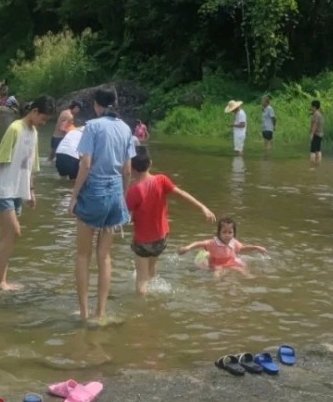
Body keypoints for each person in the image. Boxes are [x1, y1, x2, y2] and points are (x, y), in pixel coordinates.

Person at [69, 87, 135, 320]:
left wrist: (74, 196)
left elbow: (85, 164)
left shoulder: (93, 127)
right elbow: (127, 170)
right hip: (116, 193)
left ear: (97, 104)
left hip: (94, 191)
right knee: (104, 256)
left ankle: (85, 313)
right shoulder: (126, 128)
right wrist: (122, 198)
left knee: (83, 255)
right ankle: (101, 312)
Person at [0, 95, 56, 291]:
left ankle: (0, 281)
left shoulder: (34, 133)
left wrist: (31, 191)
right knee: (15, 232)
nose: (43, 122)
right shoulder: (15, 128)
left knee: (7, 237)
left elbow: (30, 165)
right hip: (3, 190)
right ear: (34, 112)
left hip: (17, 192)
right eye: (43, 118)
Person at [125, 147, 215, 294]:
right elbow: (182, 194)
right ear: (150, 163)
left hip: (143, 242)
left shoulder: (134, 191)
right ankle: (156, 294)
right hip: (161, 239)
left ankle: (142, 311)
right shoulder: (161, 180)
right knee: (151, 270)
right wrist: (202, 207)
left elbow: (125, 217)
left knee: (141, 280)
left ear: (131, 168)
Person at [178, 217, 268, 272]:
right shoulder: (213, 243)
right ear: (219, 233)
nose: (227, 235)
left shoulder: (234, 242)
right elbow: (199, 243)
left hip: (229, 261)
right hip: (215, 263)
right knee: (218, 272)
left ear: (234, 233)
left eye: (230, 232)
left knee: (242, 270)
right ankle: (215, 287)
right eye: (224, 232)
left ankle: (249, 281)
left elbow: (243, 248)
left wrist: (256, 247)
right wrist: (187, 248)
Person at [54, 106, 85, 180]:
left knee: (62, 179)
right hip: (71, 157)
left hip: (59, 154)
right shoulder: (87, 135)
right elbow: (84, 156)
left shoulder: (73, 131)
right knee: (73, 182)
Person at [309, 99, 324, 165]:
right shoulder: (319, 114)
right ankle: (318, 163)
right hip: (320, 134)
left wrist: (312, 133)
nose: (311, 108)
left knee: (313, 150)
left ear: (314, 107)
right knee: (318, 149)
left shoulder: (316, 114)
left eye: (311, 106)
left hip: (316, 134)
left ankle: (312, 164)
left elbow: (315, 124)